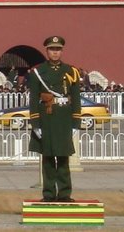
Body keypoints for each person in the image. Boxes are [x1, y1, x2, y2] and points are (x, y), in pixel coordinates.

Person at [28, 36, 81, 202]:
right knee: (48, 158)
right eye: (52, 49)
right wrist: (36, 123)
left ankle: (65, 194)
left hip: (64, 118)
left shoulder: (71, 71)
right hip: (47, 117)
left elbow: (76, 98)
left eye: (58, 49)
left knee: (64, 158)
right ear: (47, 51)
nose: (55, 52)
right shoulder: (38, 72)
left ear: (62, 51)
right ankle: (49, 194)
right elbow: (33, 99)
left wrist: (76, 123)